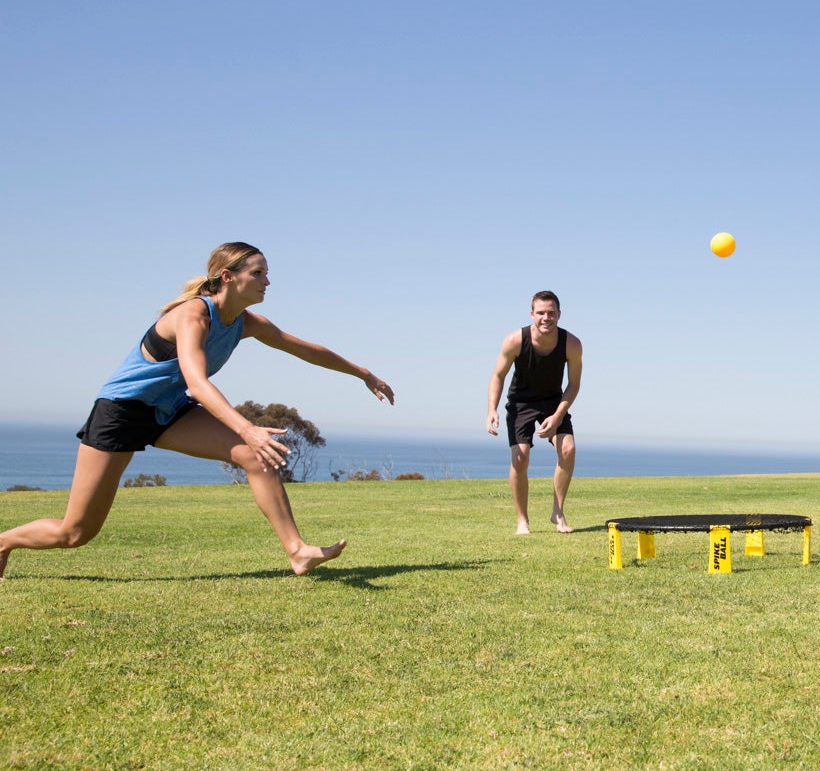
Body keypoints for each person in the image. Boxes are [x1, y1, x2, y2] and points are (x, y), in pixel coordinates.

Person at [0, 243, 394, 580]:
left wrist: (362, 373)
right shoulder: (193, 315)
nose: (267, 282)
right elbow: (197, 381)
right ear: (228, 276)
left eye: (267, 273)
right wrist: (248, 427)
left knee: (256, 457)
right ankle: (4, 541)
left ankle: (297, 551)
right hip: (121, 412)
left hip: (169, 411)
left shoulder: (245, 322)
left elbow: (304, 348)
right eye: (259, 273)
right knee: (75, 533)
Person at [486, 291, 582, 535]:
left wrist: (558, 415)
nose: (546, 318)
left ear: (559, 315)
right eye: (541, 313)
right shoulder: (515, 341)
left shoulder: (572, 344)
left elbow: (573, 384)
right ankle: (522, 521)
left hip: (553, 402)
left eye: (551, 313)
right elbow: (498, 376)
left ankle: (558, 513)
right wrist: (491, 410)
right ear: (532, 314)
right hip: (521, 403)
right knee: (520, 458)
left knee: (568, 449)